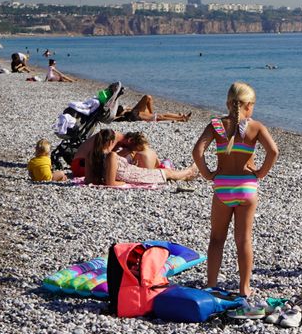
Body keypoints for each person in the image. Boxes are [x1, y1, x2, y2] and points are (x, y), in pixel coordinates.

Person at [191, 82, 279, 297]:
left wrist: (207, 174)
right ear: (248, 105)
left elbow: (197, 151)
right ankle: (244, 288)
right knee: (244, 240)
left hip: (223, 186)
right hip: (246, 187)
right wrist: (260, 172)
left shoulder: (216, 125)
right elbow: (273, 151)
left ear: (228, 103)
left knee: (216, 238)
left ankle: (211, 285)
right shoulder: (256, 127)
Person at [85, 129, 198, 186]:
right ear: (110, 142)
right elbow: (111, 183)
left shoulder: (90, 155)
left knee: (167, 173)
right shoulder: (112, 155)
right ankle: (189, 170)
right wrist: (124, 183)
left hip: (133, 172)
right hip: (136, 175)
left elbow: (88, 180)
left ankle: (186, 176)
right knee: (168, 172)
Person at [115, 94, 191, 122]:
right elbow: (116, 117)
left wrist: (126, 108)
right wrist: (124, 110)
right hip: (135, 114)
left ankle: (180, 116)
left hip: (136, 113)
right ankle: (181, 118)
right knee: (160, 116)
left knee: (162, 115)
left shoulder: (125, 110)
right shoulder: (122, 114)